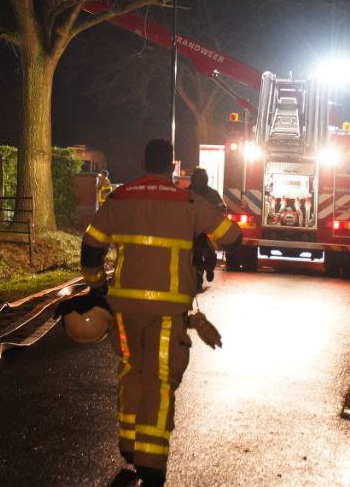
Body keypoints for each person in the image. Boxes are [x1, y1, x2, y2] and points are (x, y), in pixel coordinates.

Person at [79, 139, 242, 486]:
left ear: (143, 162)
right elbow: (233, 236)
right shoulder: (188, 200)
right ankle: (151, 463)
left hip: (124, 308)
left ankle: (128, 444)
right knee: (159, 380)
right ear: (171, 166)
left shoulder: (119, 199)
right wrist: (203, 237)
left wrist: (96, 286)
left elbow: (91, 246)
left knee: (131, 371)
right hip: (168, 311)